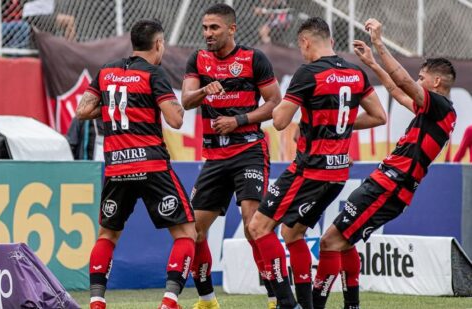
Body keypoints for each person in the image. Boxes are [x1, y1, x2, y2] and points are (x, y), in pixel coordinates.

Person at [313, 19, 457, 309]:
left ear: (436, 82)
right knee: (342, 242)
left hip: (392, 186)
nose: (417, 81)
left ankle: (314, 305)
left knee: (330, 242)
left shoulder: (442, 107)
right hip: (384, 180)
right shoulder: (430, 111)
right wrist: (372, 64)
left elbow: (403, 82)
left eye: (422, 77)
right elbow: (397, 91)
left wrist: (379, 43)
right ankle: (351, 306)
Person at [247, 17, 386, 309]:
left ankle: (287, 303)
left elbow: (281, 121)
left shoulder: (308, 73)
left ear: (306, 42)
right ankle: (307, 305)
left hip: (309, 169)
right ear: (331, 42)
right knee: (291, 233)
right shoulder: (355, 72)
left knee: (259, 227)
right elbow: (378, 116)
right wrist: (342, 123)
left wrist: (295, 110)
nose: (302, 53)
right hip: (337, 174)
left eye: (301, 48)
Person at [76, 19, 197, 309]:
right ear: (158, 44)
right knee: (186, 233)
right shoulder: (154, 74)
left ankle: (95, 303)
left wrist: (114, 107)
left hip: (116, 167)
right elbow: (176, 120)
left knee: (107, 234)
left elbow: (82, 111)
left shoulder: (106, 71)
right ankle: (169, 302)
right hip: (152, 165)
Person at [181, 3, 282, 309]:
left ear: (232, 29)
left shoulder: (254, 59)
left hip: (249, 150)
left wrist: (239, 120)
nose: (208, 34)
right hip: (214, 156)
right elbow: (186, 101)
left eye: (214, 28)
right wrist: (203, 92)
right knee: (194, 230)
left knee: (253, 225)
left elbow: (274, 102)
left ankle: (276, 297)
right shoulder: (197, 59)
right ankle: (208, 299)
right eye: (205, 28)